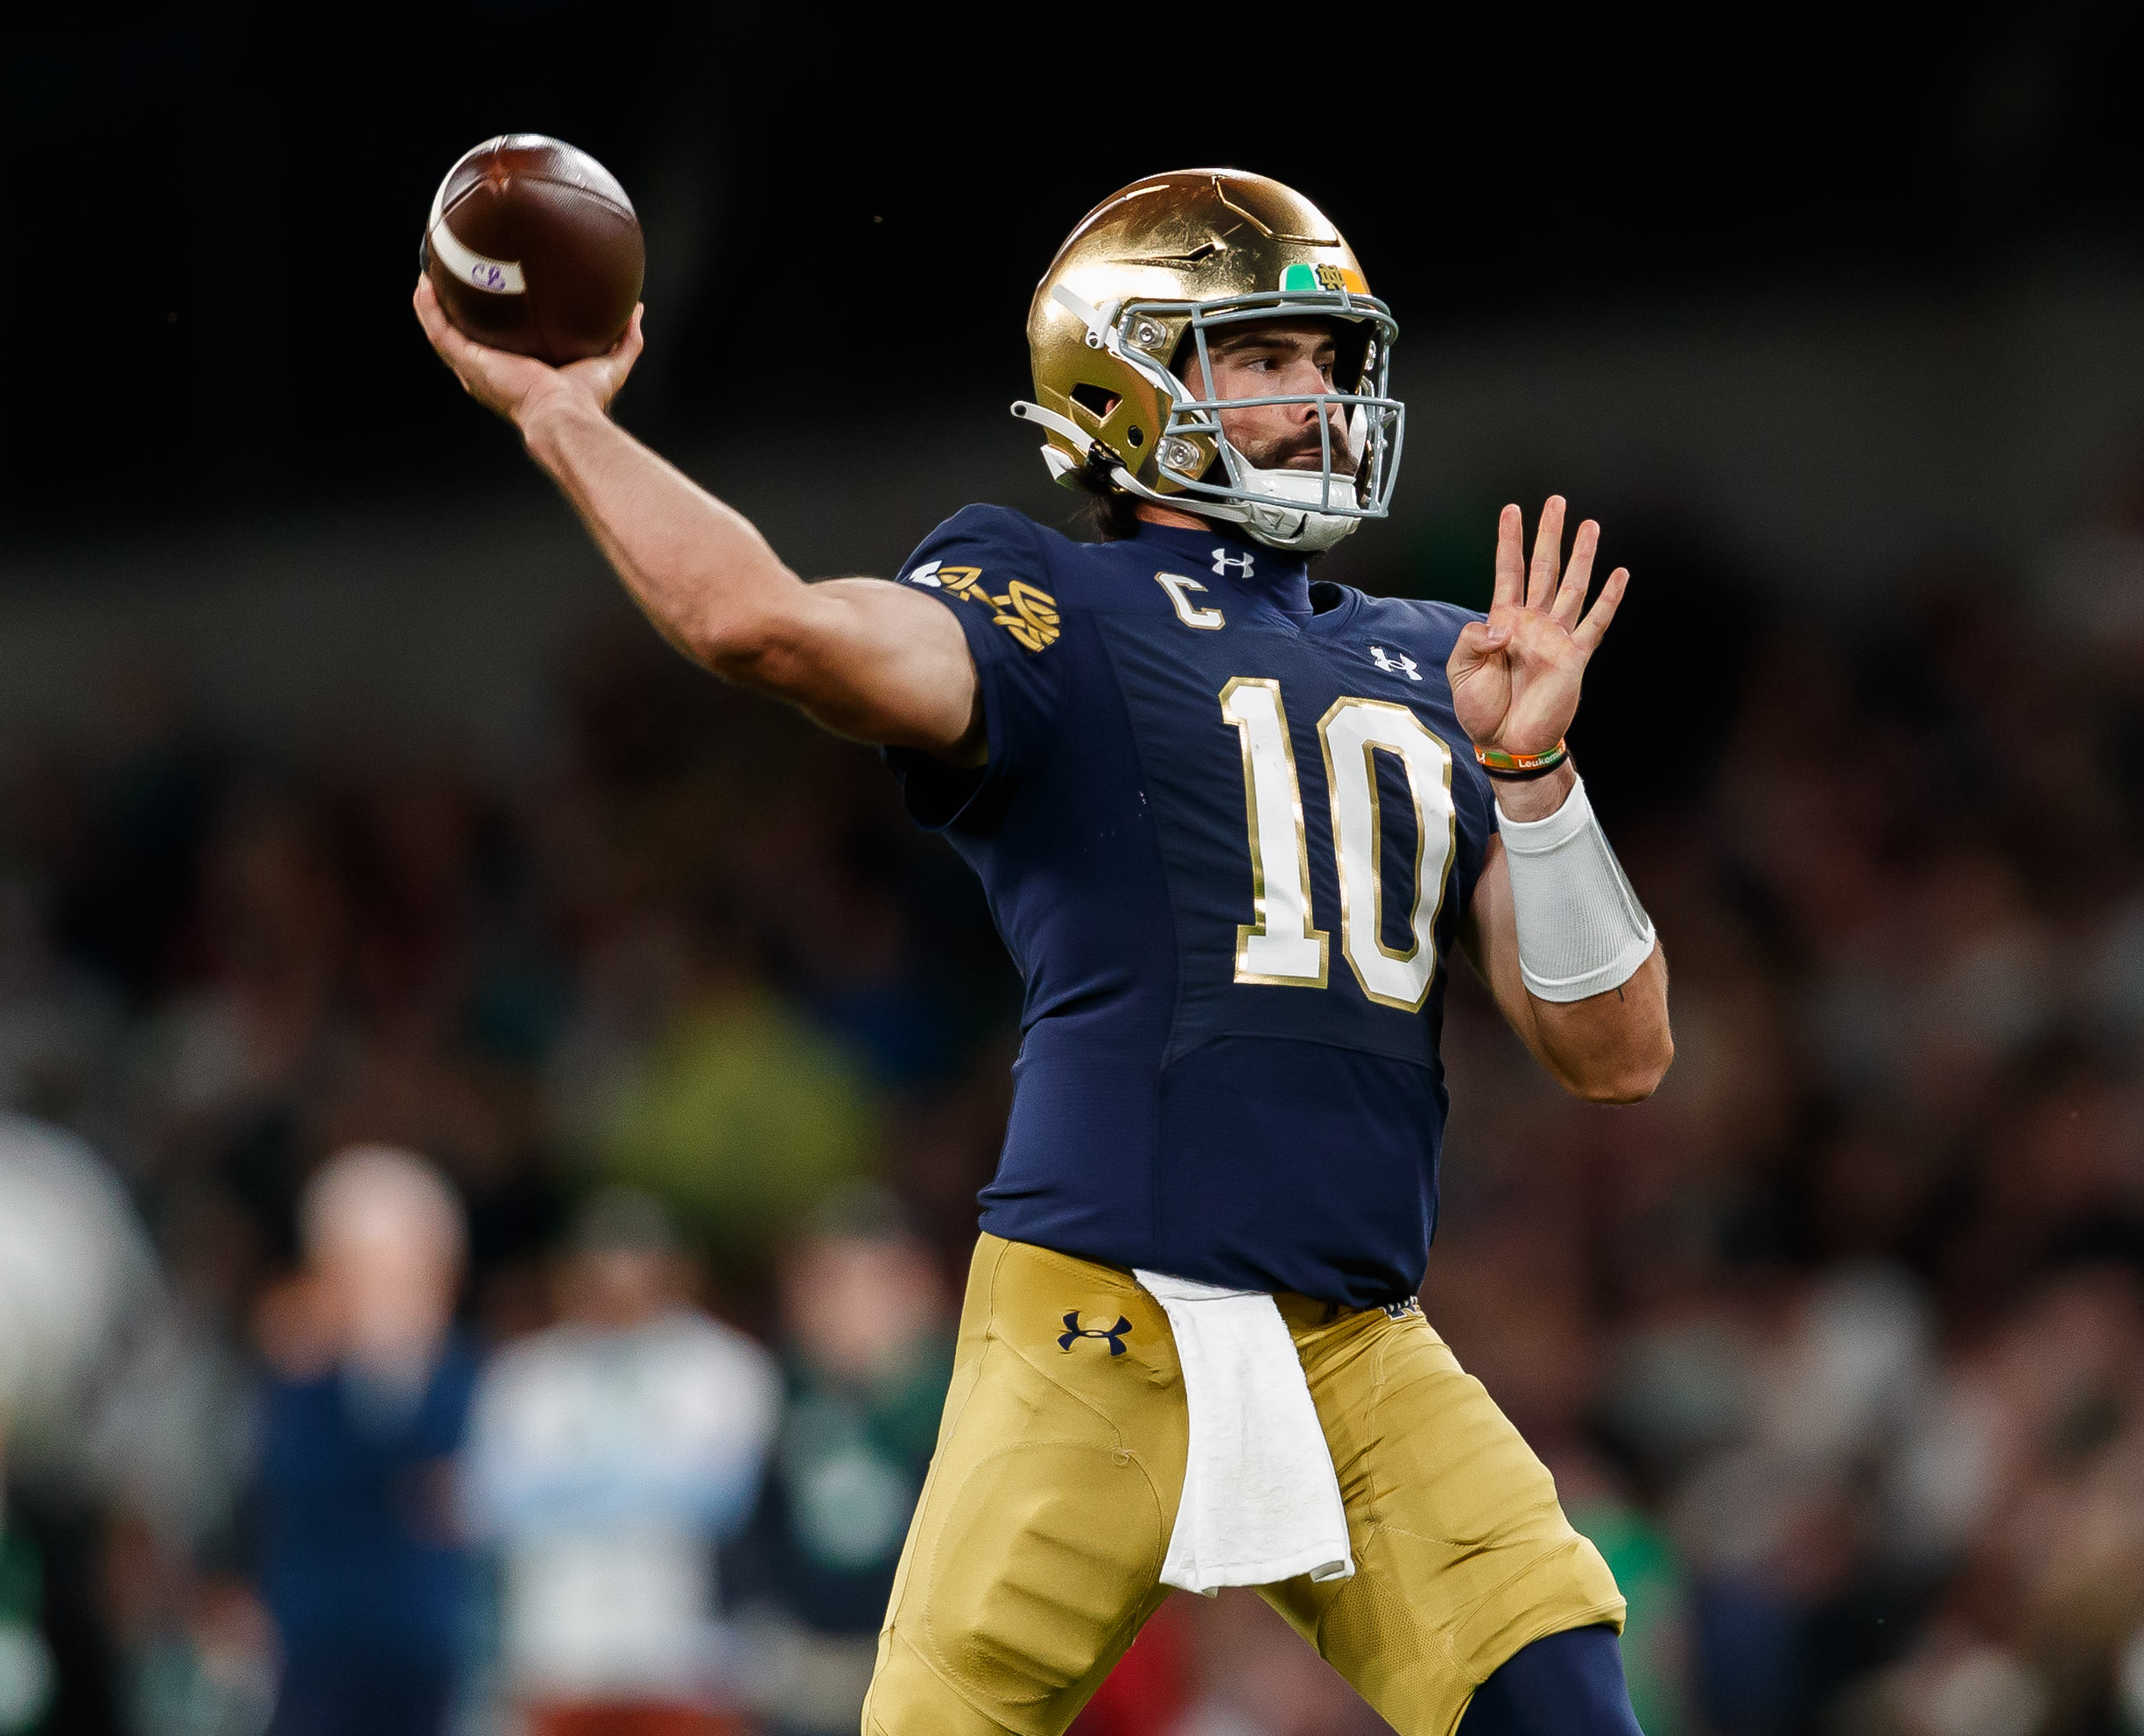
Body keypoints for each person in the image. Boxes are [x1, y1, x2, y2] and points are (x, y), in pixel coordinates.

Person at [415, 167, 1674, 1736]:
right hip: (1101, 1322)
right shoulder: (1052, 598)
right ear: (1125, 380)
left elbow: (1615, 1052)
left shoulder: (1438, 658)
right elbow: (765, 623)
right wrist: (563, 415)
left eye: (1327, 362)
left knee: (1562, 1696)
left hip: (1358, 1341)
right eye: (1265, 358)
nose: (1317, 397)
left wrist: (1536, 783)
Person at [460, 1189, 777, 1736]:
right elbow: (490, 1506)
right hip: (556, 1659)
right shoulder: (523, 1375)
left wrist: (568, 1486)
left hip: (689, 1661)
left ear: (677, 1270)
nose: (620, 1280)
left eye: (638, 1261)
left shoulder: (727, 1367)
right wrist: (646, 1478)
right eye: (601, 1263)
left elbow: (725, 1501)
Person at [251, 1147, 479, 1736]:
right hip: (319, 1640)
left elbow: (462, 1491)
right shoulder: (299, 1379)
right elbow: (291, 1482)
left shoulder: (462, 1378)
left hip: (426, 1639)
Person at [723, 1186, 951, 1736]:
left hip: (930, 1681)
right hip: (808, 1680)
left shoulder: (957, 1400)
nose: (841, 1309)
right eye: (821, 1287)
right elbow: (751, 1532)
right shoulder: (780, 1396)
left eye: (865, 1286)